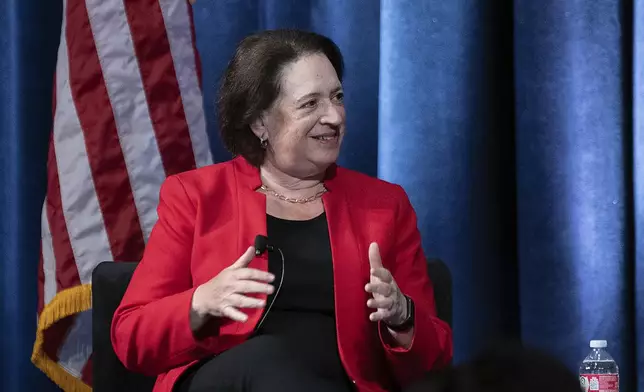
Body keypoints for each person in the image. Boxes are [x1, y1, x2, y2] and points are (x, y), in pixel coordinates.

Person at [110, 28, 452, 392]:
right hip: (228, 380)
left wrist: (403, 318)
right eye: (310, 104)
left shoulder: (385, 206)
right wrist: (202, 301)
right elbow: (131, 335)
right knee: (268, 358)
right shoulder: (195, 196)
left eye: (337, 97)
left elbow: (436, 361)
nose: (334, 117)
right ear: (260, 123)